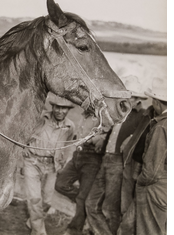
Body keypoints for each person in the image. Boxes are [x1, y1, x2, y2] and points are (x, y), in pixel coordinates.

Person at [85, 76, 149, 235]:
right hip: (106, 158)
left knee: (110, 208)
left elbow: (140, 141)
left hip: (120, 163)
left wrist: (132, 139)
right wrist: (103, 141)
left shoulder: (142, 117)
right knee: (91, 204)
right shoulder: (119, 111)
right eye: (127, 96)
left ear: (139, 99)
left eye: (133, 97)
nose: (129, 99)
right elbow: (113, 132)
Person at [118, 78, 166, 235]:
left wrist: (140, 181)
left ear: (158, 102)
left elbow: (152, 170)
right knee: (128, 225)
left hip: (154, 187)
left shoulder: (161, 126)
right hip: (161, 186)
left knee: (148, 229)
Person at [23, 94, 76, 235]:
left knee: (46, 199)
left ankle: (33, 221)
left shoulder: (70, 126)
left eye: (64, 108)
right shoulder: (40, 118)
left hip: (52, 166)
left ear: (68, 110)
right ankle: (38, 231)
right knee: (35, 199)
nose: (60, 111)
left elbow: (69, 145)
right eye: (57, 107)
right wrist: (24, 147)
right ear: (53, 107)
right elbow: (24, 131)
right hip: (32, 162)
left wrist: (66, 158)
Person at [54, 111, 108, 235]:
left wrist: (95, 139)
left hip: (92, 157)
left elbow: (109, 133)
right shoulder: (85, 114)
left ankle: (74, 230)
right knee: (60, 184)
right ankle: (84, 202)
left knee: (82, 197)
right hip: (77, 154)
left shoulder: (105, 113)